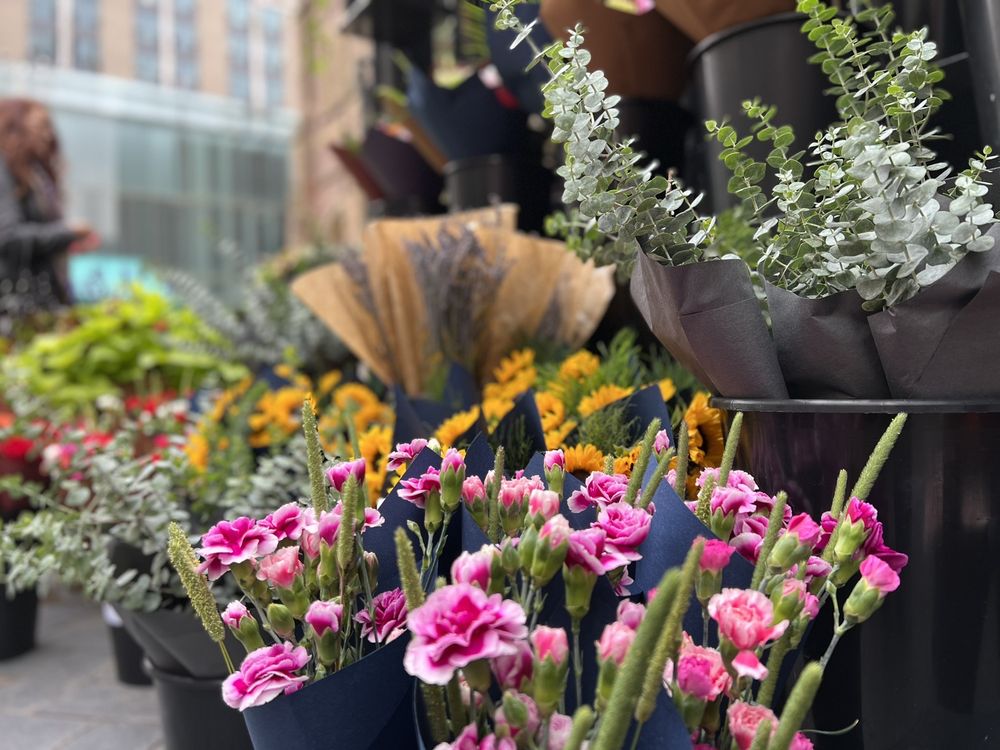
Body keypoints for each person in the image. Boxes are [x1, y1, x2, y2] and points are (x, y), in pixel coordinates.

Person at [0, 98, 99, 327]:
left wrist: (67, 241)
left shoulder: (34, 177)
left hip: (39, 308)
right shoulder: (5, 171)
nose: (48, 134)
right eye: (41, 125)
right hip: (15, 314)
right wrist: (66, 231)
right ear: (17, 126)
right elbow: (8, 238)